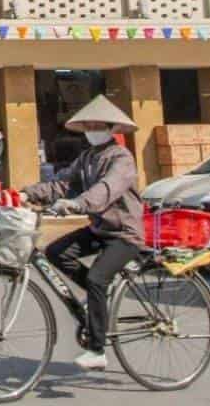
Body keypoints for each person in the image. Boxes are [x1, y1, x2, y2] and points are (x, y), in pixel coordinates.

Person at [23, 95, 144, 373]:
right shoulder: (87, 157)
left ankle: (98, 349)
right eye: (87, 124)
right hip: (99, 228)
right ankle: (94, 301)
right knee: (55, 252)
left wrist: (79, 204)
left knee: (96, 278)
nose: (91, 129)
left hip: (124, 234)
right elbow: (63, 185)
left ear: (110, 127)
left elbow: (107, 188)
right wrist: (26, 192)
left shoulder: (122, 158)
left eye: (97, 124)